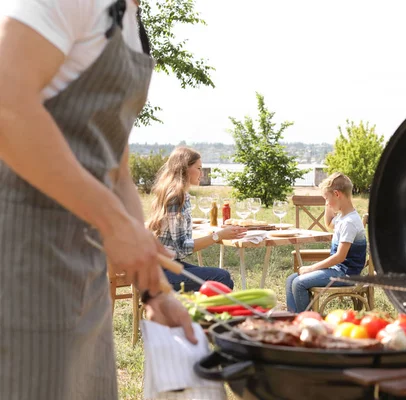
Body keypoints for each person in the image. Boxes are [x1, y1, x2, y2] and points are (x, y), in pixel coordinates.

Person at [0, 1, 197, 399]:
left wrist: (154, 291)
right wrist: (112, 223)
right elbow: (7, 104)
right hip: (21, 264)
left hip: (83, 278)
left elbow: (117, 171)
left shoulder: (130, 25)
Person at [147, 146, 246, 291]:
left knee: (225, 281)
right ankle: (203, 312)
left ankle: (205, 313)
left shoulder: (178, 194)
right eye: (199, 168)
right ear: (185, 169)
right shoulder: (176, 197)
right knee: (222, 278)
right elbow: (181, 249)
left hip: (165, 264)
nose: (202, 173)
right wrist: (217, 236)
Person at [285, 172, 367, 313]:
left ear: (337, 194)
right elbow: (329, 222)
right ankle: (293, 318)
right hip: (338, 270)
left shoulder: (349, 222)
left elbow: (340, 257)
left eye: (327, 199)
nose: (327, 203)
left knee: (299, 283)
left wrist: (311, 268)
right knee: (291, 279)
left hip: (347, 274)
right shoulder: (343, 217)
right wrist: (327, 201)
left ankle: (306, 322)